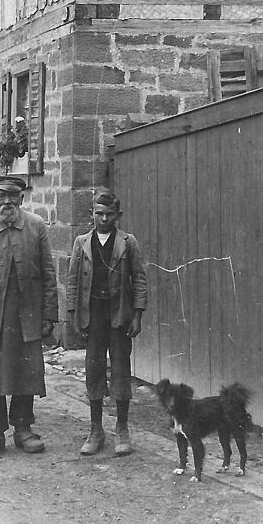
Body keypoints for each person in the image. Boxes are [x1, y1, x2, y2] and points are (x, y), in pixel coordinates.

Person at [0, 176, 58, 457]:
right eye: (1, 197)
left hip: (27, 315)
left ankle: (23, 429)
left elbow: (48, 274)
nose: (7, 203)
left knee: (25, 372)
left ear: (22, 199)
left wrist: (49, 314)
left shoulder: (37, 227)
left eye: (13, 197)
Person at [66, 186, 148, 457]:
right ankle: (95, 429)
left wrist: (137, 314)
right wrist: (73, 317)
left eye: (109, 214)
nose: (103, 219)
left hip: (120, 316)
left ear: (118, 215)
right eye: (98, 214)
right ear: (91, 214)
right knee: (94, 369)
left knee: (121, 370)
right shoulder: (82, 243)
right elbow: (73, 281)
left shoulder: (128, 242)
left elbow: (140, 279)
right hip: (93, 316)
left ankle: (122, 429)